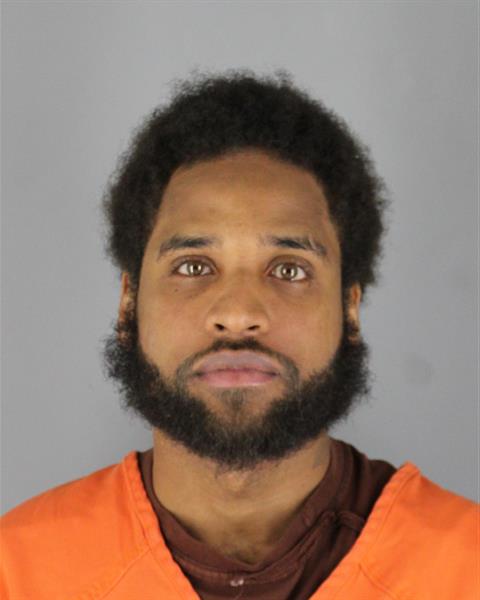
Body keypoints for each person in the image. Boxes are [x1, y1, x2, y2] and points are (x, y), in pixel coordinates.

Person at [1, 71, 477, 600]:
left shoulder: (467, 567)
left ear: (349, 309)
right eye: (193, 266)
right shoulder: (18, 570)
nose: (238, 314)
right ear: (128, 303)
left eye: (289, 269)